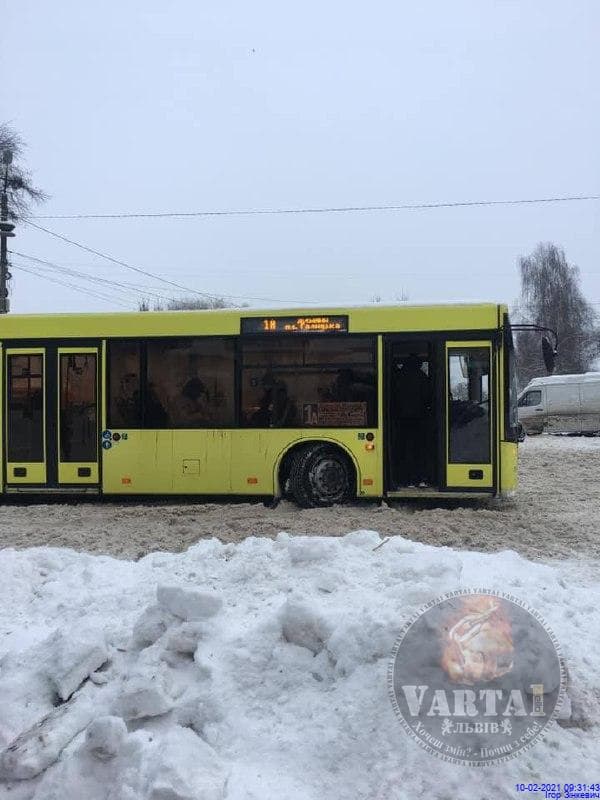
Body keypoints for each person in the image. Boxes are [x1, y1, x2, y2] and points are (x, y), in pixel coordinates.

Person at [393, 354, 433, 485]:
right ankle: (418, 478)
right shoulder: (422, 377)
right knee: (418, 450)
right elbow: (428, 397)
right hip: (419, 418)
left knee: (403, 449)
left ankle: (403, 478)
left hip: (401, 419)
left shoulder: (399, 377)